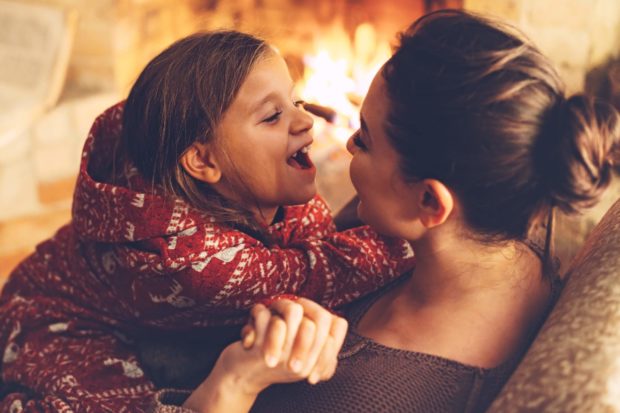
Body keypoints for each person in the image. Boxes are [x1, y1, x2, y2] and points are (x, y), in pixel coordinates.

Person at [151, 9, 620, 413]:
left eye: (366, 140)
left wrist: (234, 382)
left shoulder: (375, 397)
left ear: (430, 202)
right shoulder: (509, 222)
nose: (347, 144)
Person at [0, 31, 415, 411]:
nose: (306, 121)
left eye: (297, 101)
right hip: (56, 317)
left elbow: (309, 232)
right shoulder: (197, 264)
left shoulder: (200, 164)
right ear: (201, 160)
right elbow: (323, 271)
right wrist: (415, 230)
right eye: (272, 117)